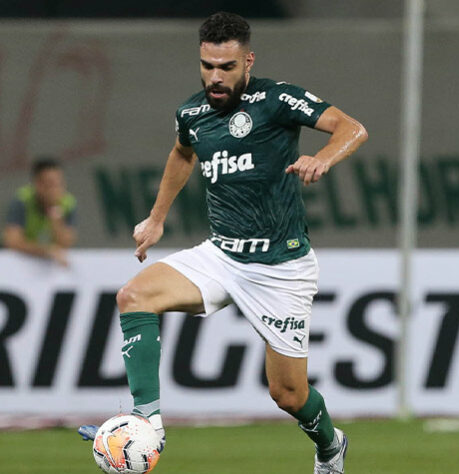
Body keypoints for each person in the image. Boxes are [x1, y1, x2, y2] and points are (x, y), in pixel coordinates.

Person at [78, 12, 367, 474]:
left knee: (287, 394)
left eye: (226, 67)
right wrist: (156, 219)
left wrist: (324, 158)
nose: (215, 76)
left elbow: (351, 127)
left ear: (247, 61)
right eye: (207, 65)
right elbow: (181, 153)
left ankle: (331, 446)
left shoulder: (276, 99)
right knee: (134, 296)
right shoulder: (193, 113)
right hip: (222, 254)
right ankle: (148, 421)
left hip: (280, 268)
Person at [3, 158, 77, 266]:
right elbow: (12, 241)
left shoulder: (68, 203)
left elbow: (66, 243)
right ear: (37, 184)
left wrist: (55, 218)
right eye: (50, 184)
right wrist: (46, 251)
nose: (55, 190)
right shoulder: (22, 201)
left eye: (59, 184)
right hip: (15, 264)